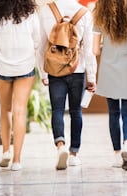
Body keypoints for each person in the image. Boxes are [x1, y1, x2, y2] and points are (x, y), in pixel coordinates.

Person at [36, 0, 97, 170]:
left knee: (57, 110)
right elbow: (88, 51)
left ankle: (60, 145)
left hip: (54, 71)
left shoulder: (46, 11)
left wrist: (43, 72)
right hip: (77, 70)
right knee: (76, 112)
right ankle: (73, 154)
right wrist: (91, 76)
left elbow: (41, 46)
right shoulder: (84, 13)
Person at [0, 0, 40, 171]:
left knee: (5, 109)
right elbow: (37, 41)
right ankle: (17, 160)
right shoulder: (30, 13)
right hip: (25, 66)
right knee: (19, 111)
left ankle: (5, 152)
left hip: (2, 67)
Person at [92, 0, 127, 171]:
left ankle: (117, 155)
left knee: (113, 113)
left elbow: (95, 50)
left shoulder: (100, 10)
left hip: (109, 66)